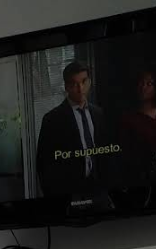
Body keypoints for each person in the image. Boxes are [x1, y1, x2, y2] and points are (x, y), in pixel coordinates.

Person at [36, 61, 108, 196]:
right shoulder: (52, 119)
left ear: (90, 82)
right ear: (66, 87)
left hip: (98, 188)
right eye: (74, 84)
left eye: (84, 81)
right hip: (67, 190)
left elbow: (105, 153)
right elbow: (43, 163)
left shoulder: (98, 113)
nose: (80, 88)